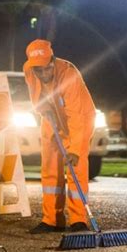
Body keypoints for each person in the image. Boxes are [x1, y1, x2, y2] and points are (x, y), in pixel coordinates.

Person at [23, 39, 96, 234]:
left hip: (80, 118)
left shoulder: (68, 75)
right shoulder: (29, 70)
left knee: (76, 167)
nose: (43, 74)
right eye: (39, 71)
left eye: (47, 69)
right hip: (51, 117)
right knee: (49, 167)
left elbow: (76, 117)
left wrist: (74, 150)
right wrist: (43, 110)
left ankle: (78, 220)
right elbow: (34, 96)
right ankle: (52, 220)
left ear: (53, 61)